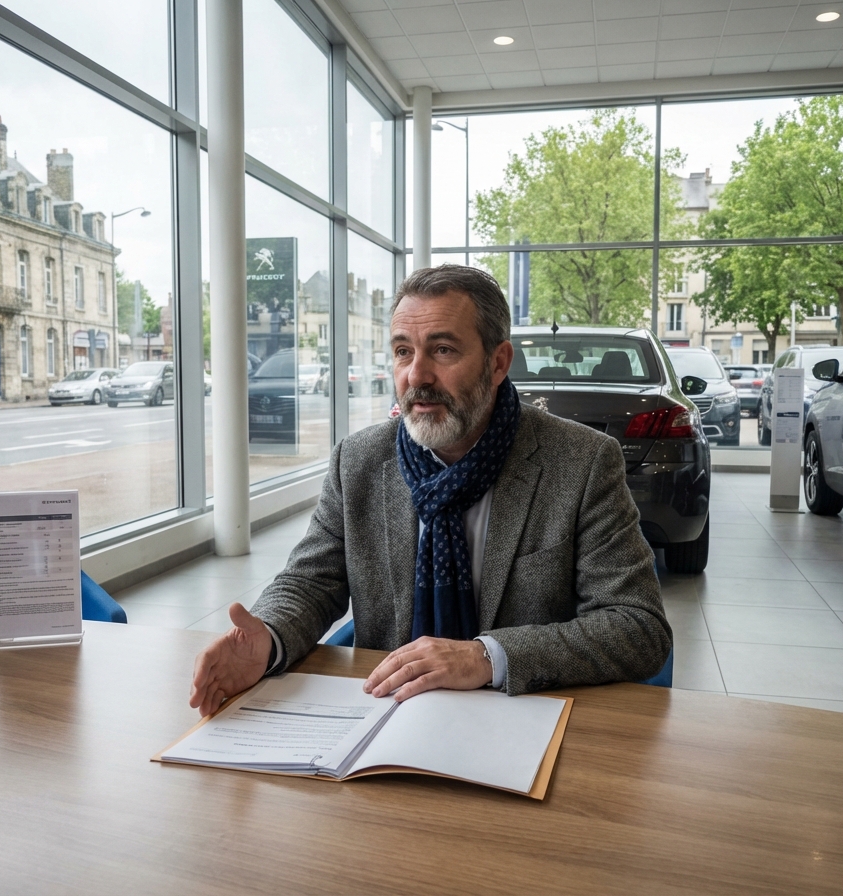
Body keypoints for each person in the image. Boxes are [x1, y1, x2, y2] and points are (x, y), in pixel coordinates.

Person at [190, 265, 670, 716]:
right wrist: (268, 637)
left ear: (499, 362)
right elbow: (312, 582)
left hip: (525, 720)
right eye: (403, 351)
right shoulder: (358, 462)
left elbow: (638, 627)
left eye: (442, 350)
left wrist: (487, 656)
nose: (416, 376)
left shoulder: (582, 463)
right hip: (387, 718)